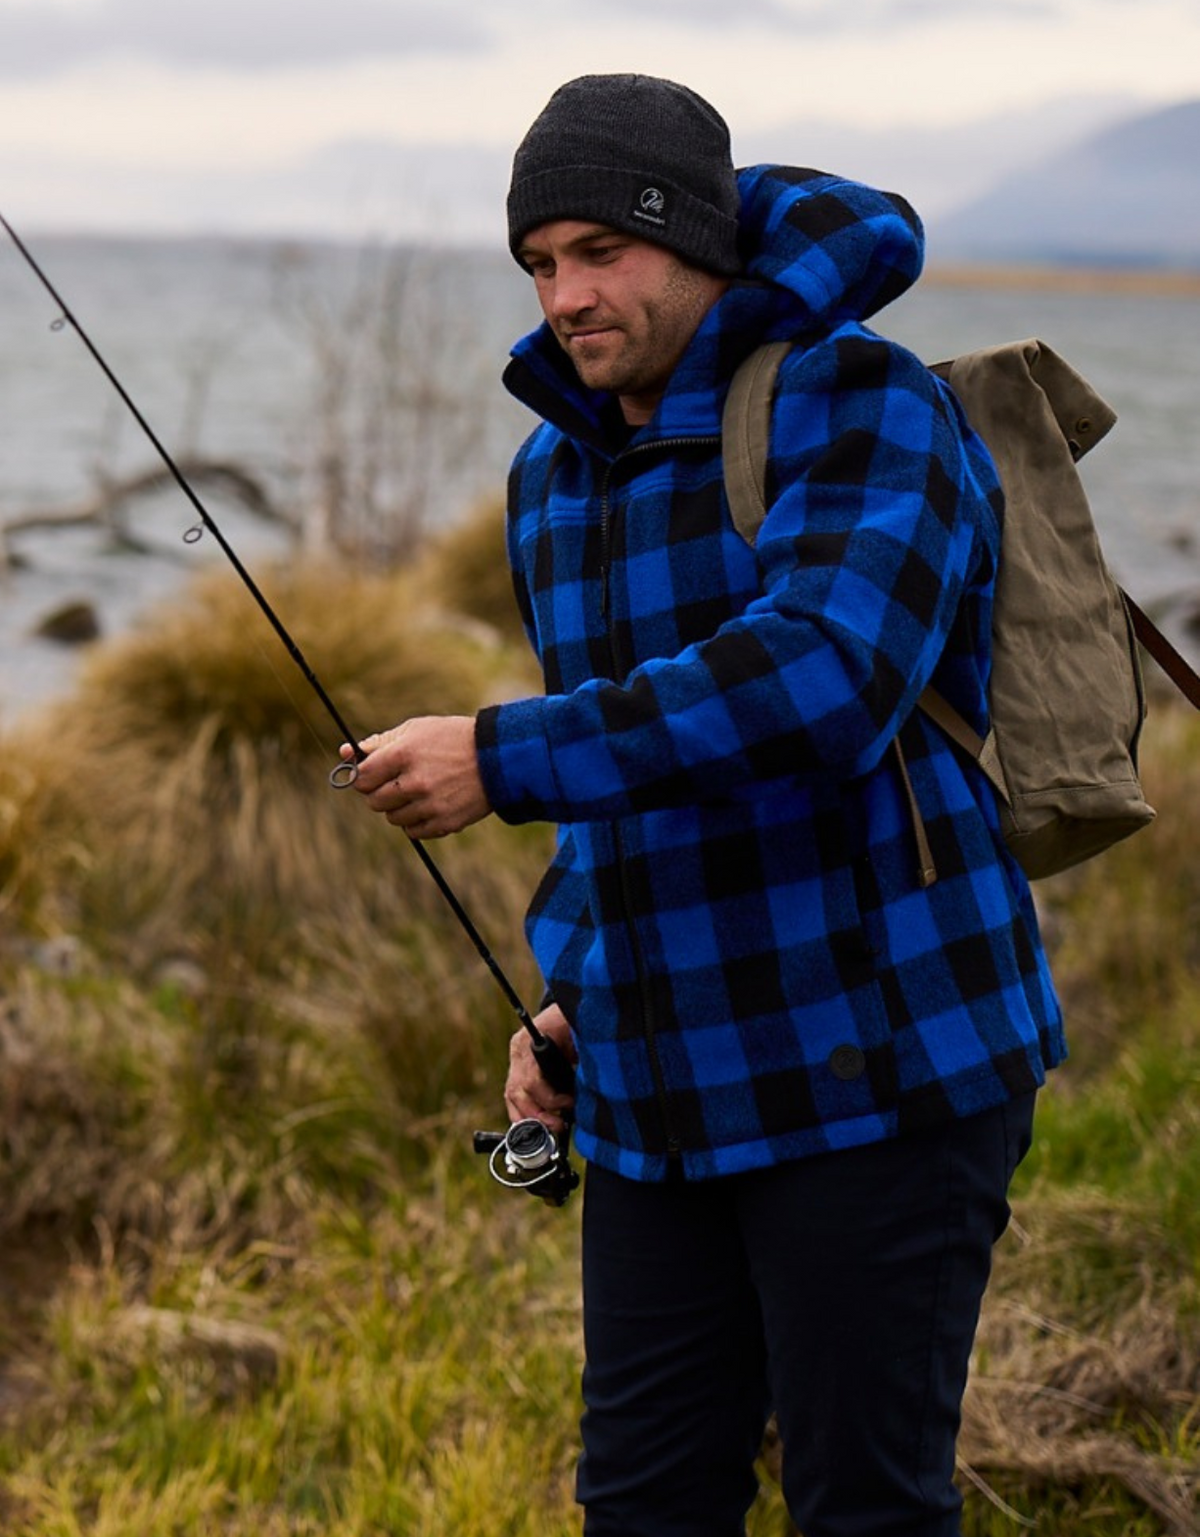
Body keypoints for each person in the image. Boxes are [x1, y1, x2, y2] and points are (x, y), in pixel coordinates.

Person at [348, 74, 1066, 1537]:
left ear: (696, 242)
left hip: (885, 1068)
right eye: (541, 261)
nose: (568, 294)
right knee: (645, 1502)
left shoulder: (865, 403)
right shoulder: (553, 474)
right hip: (667, 1094)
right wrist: (573, 1002)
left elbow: (823, 683)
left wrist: (499, 756)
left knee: (863, 1505)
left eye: (601, 250)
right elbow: (633, 786)